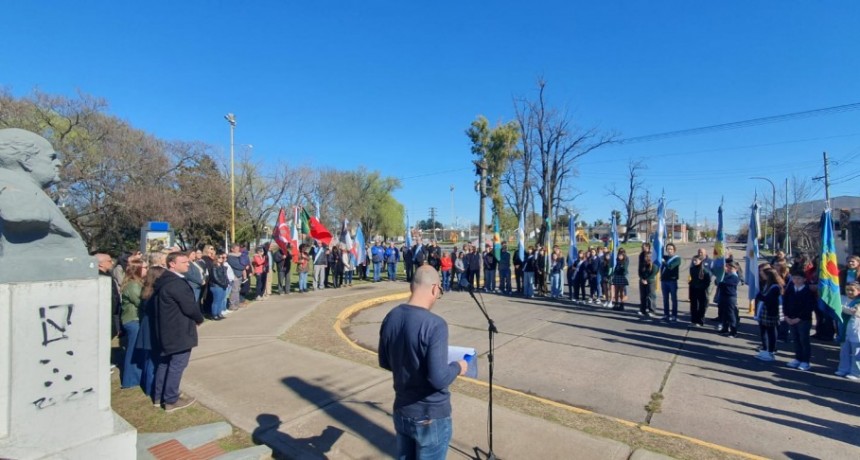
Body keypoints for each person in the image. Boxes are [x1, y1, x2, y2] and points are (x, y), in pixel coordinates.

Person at [378, 265, 468, 459]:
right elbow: (438, 378)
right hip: (430, 416)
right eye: (440, 292)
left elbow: (385, 361)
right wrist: (458, 367)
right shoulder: (435, 325)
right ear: (435, 288)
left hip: (402, 409)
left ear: (412, 286)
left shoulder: (391, 317)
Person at [152, 252, 203, 412]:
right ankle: (171, 400)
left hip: (167, 329)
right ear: (172, 264)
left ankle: (159, 396)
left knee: (164, 362)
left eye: (188, 262)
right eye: (184, 262)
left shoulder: (164, 280)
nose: (188, 264)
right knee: (177, 364)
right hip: (178, 330)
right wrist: (199, 318)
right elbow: (190, 307)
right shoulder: (176, 284)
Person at [119, 260, 147, 388]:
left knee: (138, 350)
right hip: (133, 320)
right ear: (137, 269)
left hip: (136, 319)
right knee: (133, 351)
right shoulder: (133, 286)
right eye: (145, 267)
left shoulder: (137, 283)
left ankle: (137, 377)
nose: (147, 269)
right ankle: (130, 381)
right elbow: (141, 302)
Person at [783, 268, 816, 371]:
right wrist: (786, 316)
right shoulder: (790, 289)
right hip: (790, 318)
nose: (796, 280)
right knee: (795, 339)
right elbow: (785, 303)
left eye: (799, 278)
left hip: (803, 320)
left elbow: (809, 307)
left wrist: (799, 318)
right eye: (794, 278)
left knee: (804, 340)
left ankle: (805, 361)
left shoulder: (807, 291)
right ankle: (798, 358)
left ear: (804, 280)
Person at [836, 281, 860, 379]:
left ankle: (856, 372)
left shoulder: (858, 301)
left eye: (852, 290)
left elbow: (853, 311)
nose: (849, 292)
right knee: (844, 351)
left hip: (856, 331)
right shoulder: (842, 298)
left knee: (856, 353)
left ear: (858, 291)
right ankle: (843, 369)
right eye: (847, 290)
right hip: (844, 330)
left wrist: (839, 307)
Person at [717, 261, 741, 337]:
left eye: (731, 268)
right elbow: (718, 281)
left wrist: (721, 282)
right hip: (724, 296)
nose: (729, 269)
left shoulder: (734, 277)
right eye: (729, 267)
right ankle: (725, 328)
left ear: (736, 269)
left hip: (730, 297)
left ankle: (733, 331)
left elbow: (725, 284)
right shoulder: (727, 275)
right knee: (724, 313)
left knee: (731, 314)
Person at [688, 255, 712, 327]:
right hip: (693, 289)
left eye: (696, 260)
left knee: (701, 306)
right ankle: (693, 320)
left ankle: (700, 321)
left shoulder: (705, 270)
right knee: (693, 306)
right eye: (693, 260)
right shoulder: (692, 269)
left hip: (701, 290)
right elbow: (692, 278)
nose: (694, 262)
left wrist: (701, 287)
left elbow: (708, 281)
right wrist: (691, 284)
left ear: (700, 261)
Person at [660, 243, 682, 322]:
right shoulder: (664, 257)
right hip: (664, 281)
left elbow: (670, 267)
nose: (669, 250)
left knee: (673, 299)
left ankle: (674, 315)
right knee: (665, 299)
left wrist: (664, 262)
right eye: (668, 249)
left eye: (671, 249)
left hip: (672, 281)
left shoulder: (677, 259)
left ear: (674, 250)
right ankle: (666, 315)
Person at [209, 250, 230, 320]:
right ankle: (214, 314)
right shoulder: (214, 267)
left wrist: (226, 282)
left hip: (223, 285)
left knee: (221, 300)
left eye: (222, 258)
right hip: (216, 286)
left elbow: (225, 276)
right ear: (216, 258)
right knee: (216, 301)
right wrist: (222, 283)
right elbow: (215, 278)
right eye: (220, 257)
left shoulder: (222, 266)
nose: (222, 259)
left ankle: (219, 313)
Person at [638, 250, 658, 318]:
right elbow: (640, 273)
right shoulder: (642, 265)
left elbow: (653, 274)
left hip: (650, 282)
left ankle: (652, 311)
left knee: (650, 297)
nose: (647, 258)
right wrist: (642, 279)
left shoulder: (654, 266)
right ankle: (643, 310)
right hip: (642, 281)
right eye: (646, 256)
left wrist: (647, 280)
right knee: (643, 296)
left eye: (649, 256)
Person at [226, 244, 245, 310]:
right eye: (236, 249)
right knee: (234, 290)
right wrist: (243, 266)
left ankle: (237, 304)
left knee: (238, 290)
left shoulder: (239, 256)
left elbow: (244, 262)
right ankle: (232, 305)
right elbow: (238, 265)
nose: (238, 250)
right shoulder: (230, 257)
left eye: (238, 249)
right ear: (232, 249)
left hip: (239, 275)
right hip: (235, 275)